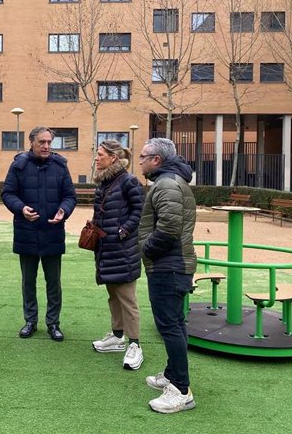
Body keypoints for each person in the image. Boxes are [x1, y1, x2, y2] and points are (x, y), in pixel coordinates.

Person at [137, 138, 197, 413]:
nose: (140, 162)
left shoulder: (167, 184)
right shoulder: (168, 181)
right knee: (175, 323)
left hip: (168, 266)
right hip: (172, 264)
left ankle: (181, 390)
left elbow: (170, 227)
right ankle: (173, 375)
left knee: (169, 326)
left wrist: (147, 250)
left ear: (157, 160)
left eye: (143, 157)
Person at [1, 126, 76, 341]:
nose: (46, 146)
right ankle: (30, 321)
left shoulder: (60, 166)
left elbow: (70, 196)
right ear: (31, 142)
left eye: (49, 142)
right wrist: (21, 208)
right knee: (28, 281)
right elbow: (8, 193)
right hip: (26, 232)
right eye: (42, 142)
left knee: (54, 282)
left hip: (53, 231)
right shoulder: (18, 165)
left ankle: (53, 323)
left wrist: (64, 210)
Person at [90, 140, 145, 371]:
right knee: (113, 295)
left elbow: (139, 210)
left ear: (113, 158)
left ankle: (135, 345)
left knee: (127, 299)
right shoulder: (105, 181)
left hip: (122, 249)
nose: (96, 157)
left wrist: (123, 231)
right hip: (106, 248)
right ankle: (117, 336)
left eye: (100, 154)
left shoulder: (129, 180)